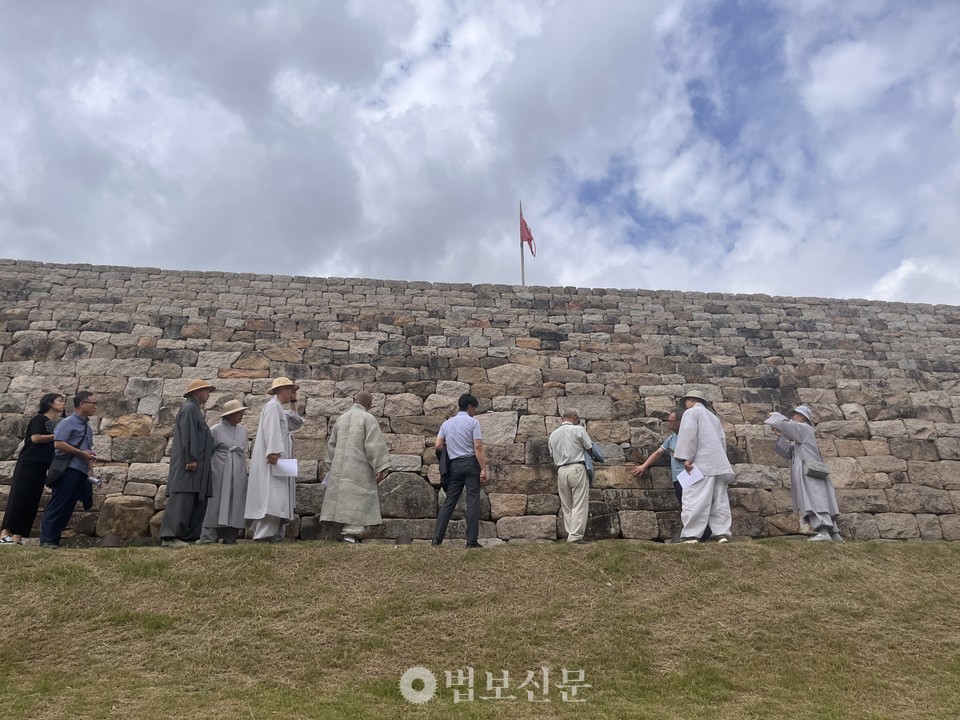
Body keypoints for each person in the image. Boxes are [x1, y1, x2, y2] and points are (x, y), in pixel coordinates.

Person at [320, 391, 392, 543]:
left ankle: (341, 533)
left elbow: (331, 446)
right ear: (370, 405)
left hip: (339, 468)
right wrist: (380, 467)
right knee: (356, 500)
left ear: (354, 401)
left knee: (341, 499)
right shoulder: (368, 418)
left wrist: (330, 466)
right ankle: (350, 535)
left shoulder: (341, 419)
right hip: (359, 469)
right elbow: (374, 445)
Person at [632, 408, 712, 542]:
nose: (669, 424)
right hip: (678, 479)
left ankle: (704, 534)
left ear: (681, 422)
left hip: (692, 477)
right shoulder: (671, 439)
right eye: (668, 421)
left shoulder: (692, 436)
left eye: (671, 421)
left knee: (695, 506)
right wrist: (644, 466)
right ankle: (696, 534)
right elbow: (658, 453)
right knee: (684, 506)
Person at [765, 405, 842, 542]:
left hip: (810, 472)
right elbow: (788, 453)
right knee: (818, 497)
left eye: (795, 414)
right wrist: (780, 437)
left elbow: (784, 424)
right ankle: (834, 533)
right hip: (809, 471)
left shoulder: (804, 428)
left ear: (803, 417)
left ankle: (824, 532)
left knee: (815, 498)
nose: (793, 416)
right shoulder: (800, 437)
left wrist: (775, 416)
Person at [244, 377, 304, 543]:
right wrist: (273, 452)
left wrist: (294, 401)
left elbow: (296, 422)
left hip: (280, 460)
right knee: (272, 497)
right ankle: (263, 535)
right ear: (282, 390)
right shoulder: (272, 407)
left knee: (279, 497)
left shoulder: (279, 409)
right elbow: (271, 429)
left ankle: (274, 534)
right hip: (274, 460)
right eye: (290, 390)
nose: (292, 393)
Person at [1, 393, 65, 545]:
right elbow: (35, 438)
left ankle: (18, 536)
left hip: (42, 466)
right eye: (60, 401)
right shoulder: (39, 419)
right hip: (28, 464)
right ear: (49, 403)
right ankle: (5, 533)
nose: (63, 404)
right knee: (19, 497)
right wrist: (56, 436)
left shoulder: (54, 423)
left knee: (32, 500)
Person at [159, 379, 216, 547]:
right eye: (205, 391)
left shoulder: (194, 409)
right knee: (183, 496)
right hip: (190, 463)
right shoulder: (190, 409)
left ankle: (188, 536)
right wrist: (190, 458)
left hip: (198, 463)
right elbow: (188, 434)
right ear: (196, 392)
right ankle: (170, 536)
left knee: (195, 497)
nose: (208, 394)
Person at [673, 390, 734, 544]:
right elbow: (722, 441)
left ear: (692, 400)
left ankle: (691, 535)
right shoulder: (714, 418)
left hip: (701, 463)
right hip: (718, 463)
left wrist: (687, 458)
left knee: (694, 497)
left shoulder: (691, 413)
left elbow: (689, 434)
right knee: (718, 500)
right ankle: (722, 534)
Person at [39, 391, 97, 548]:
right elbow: (58, 443)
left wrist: (89, 471)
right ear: (82, 404)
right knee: (58, 504)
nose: (95, 407)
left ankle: (54, 540)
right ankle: (47, 540)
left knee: (68, 506)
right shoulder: (67, 423)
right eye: (93, 403)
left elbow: (87, 449)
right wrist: (81, 453)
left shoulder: (87, 428)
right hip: (67, 469)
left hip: (80, 470)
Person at [432, 393, 486, 547]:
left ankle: (436, 539)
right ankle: (471, 541)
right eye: (474, 408)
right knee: (472, 500)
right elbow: (478, 446)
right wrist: (483, 469)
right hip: (470, 463)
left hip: (454, 466)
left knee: (449, 502)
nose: (474, 411)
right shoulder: (473, 422)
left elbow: (438, 445)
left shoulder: (446, 424)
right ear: (470, 406)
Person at [548, 408, 602, 545]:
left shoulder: (553, 435)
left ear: (562, 419)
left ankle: (570, 533)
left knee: (567, 505)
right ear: (575, 418)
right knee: (579, 503)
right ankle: (576, 536)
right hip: (577, 467)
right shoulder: (578, 430)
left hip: (561, 470)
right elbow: (589, 447)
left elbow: (551, 453)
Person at [199, 399, 250, 545]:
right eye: (238, 413)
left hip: (237, 471)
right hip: (220, 471)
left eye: (242, 413)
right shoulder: (215, 429)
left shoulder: (243, 431)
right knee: (216, 501)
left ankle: (230, 536)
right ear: (229, 415)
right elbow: (209, 451)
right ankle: (209, 536)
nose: (241, 415)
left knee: (235, 501)